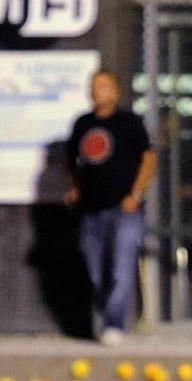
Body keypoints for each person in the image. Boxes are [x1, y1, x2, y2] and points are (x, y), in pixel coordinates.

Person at [66, 71, 157, 345]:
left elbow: (149, 158)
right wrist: (76, 188)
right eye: (94, 86)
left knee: (121, 268)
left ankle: (114, 324)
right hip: (90, 210)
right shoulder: (82, 123)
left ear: (116, 92)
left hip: (124, 209)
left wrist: (136, 194)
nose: (97, 91)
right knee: (94, 271)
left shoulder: (129, 122)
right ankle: (101, 317)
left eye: (104, 86)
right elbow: (73, 161)